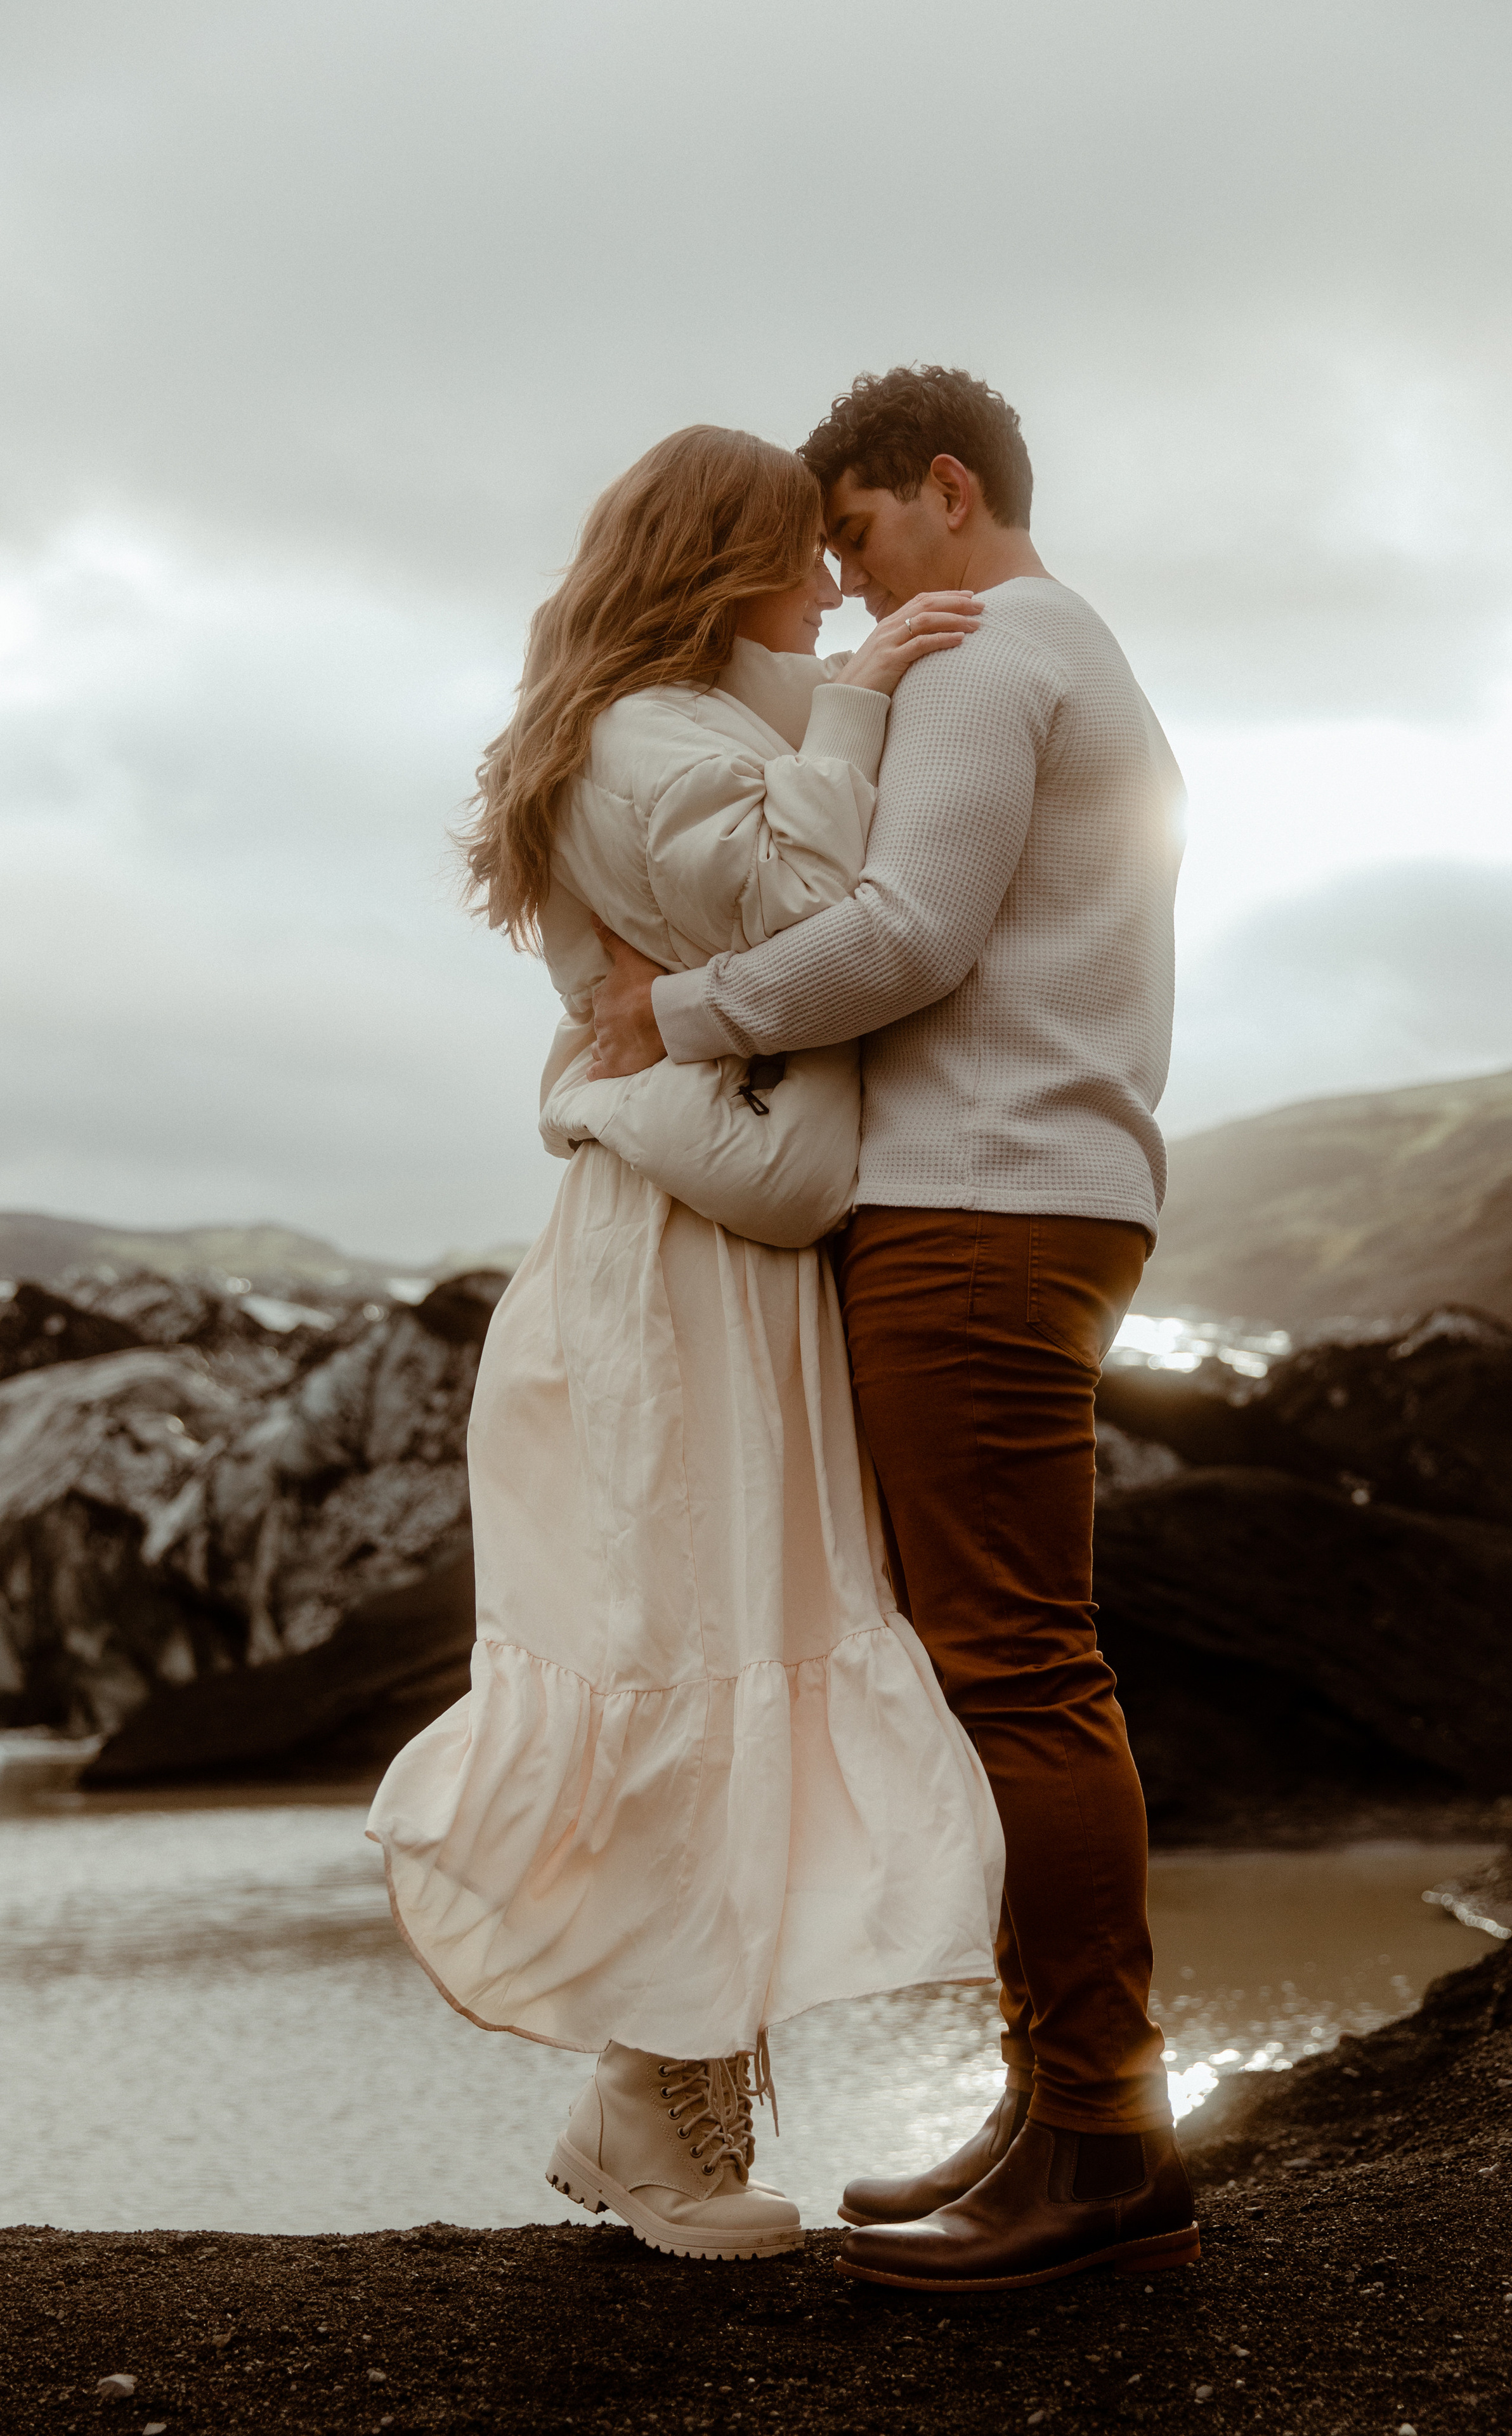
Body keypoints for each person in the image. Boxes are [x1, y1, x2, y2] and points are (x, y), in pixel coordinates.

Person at [587, 367, 1199, 2291]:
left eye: (852, 536)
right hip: (1035, 1198)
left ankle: (1103, 2140)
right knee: (1012, 1659)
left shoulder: (995, 653)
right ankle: (1061, 2105)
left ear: (950, 489)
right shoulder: (1055, 649)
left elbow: (902, 931)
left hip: (984, 1209)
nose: (844, 592)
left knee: (1019, 1668)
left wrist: (666, 1021)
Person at [367, 424, 1003, 2265]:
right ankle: (660, 2120)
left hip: (722, 1243)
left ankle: (653, 2093)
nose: (830, 586)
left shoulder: (690, 729)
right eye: (802, 555)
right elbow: (823, 926)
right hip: (674, 1267)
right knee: (691, 1650)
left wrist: (832, 709)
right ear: (725, 559)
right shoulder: (652, 744)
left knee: (743, 1648)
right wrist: (864, 706)